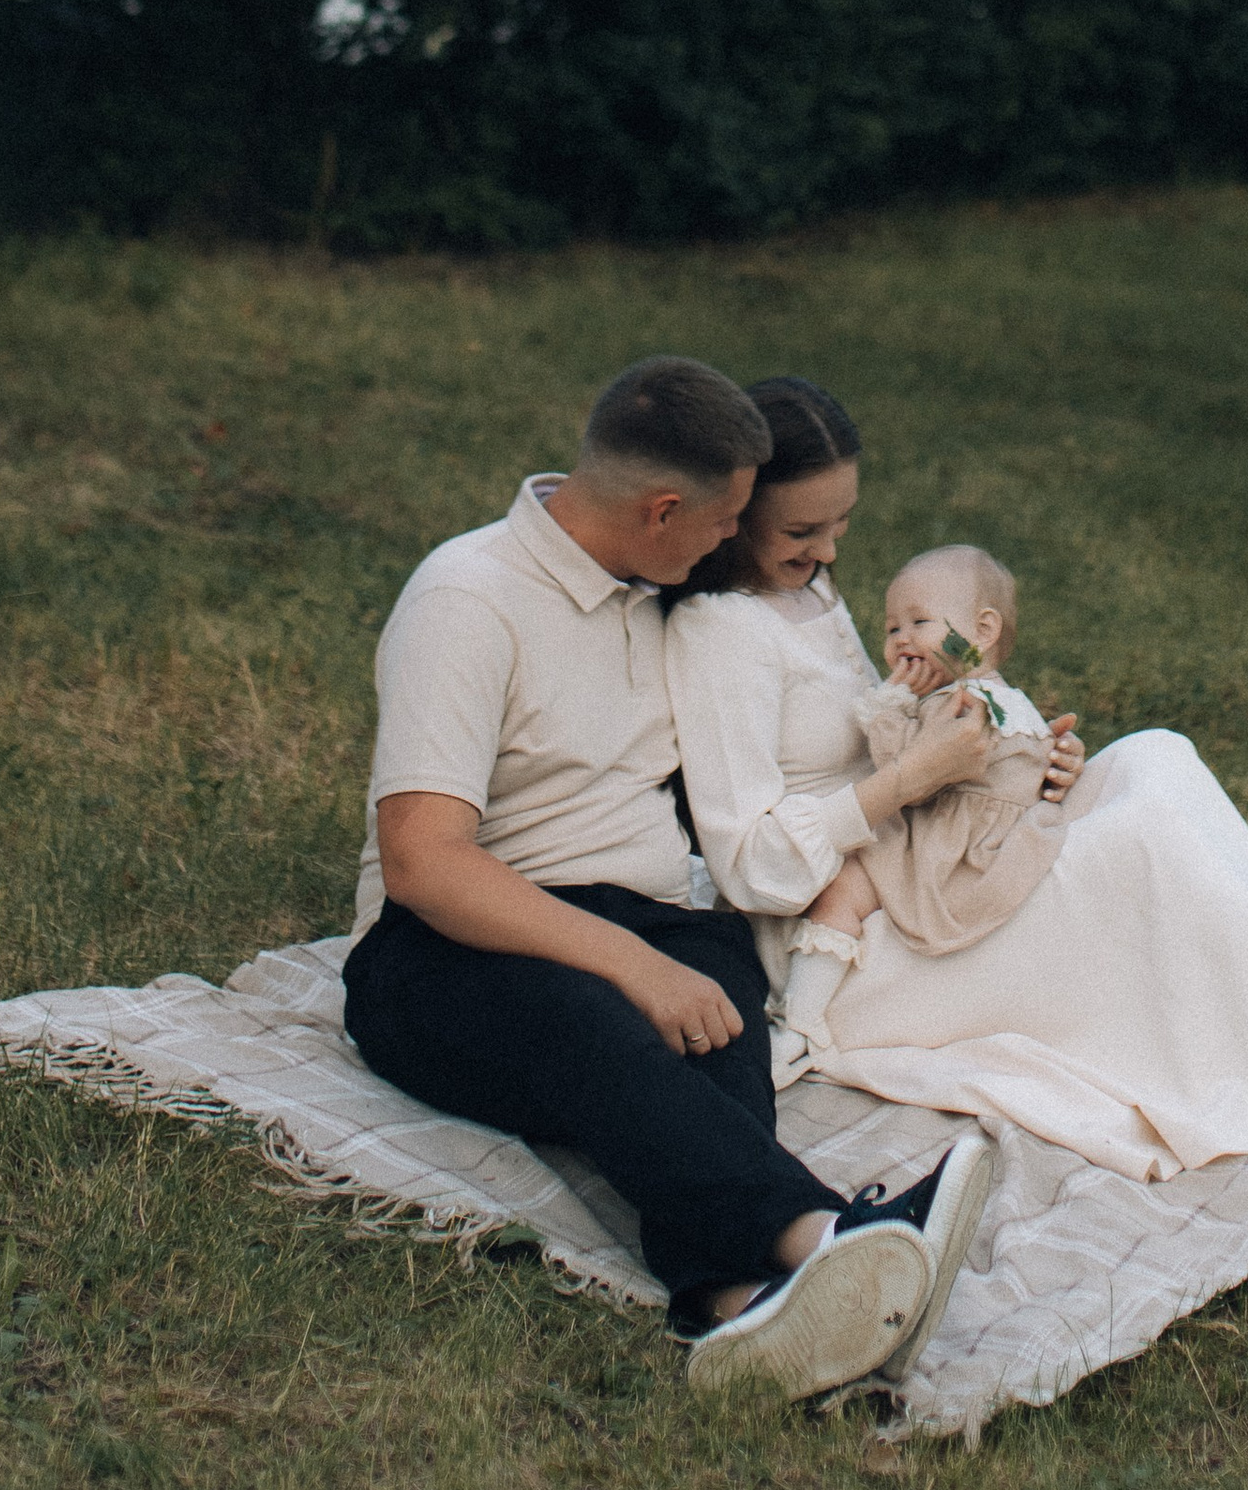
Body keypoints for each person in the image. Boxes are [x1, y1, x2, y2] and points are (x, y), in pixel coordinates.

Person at [663, 379, 1248, 1188]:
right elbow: (748, 864)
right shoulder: (718, 635)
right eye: (801, 531)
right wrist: (910, 780)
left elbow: (899, 711)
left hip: (926, 854)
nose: (829, 554)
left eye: (842, 527)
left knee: (1153, 759)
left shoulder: (807, 596)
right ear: (734, 510)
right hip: (858, 939)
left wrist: (1013, 764)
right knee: (1144, 851)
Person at [339, 353, 995, 1401]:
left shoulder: (659, 587)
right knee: (602, 1025)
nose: (735, 542)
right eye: (725, 518)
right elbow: (425, 862)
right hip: (449, 949)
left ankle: (735, 1306)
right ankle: (842, 1234)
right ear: (658, 512)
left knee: (714, 1020)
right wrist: (632, 967)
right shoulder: (469, 598)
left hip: (654, 919)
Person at [780, 546, 1066, 1043]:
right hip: (988, 836)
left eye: (920, 622)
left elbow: (905, 776)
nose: (902, 639)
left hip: (949, 850)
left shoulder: (956, 706)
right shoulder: (1007, 702)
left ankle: (799, 1021)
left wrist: (889, 705)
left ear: (981, 632)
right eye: (892, 629)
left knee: (841, 883)